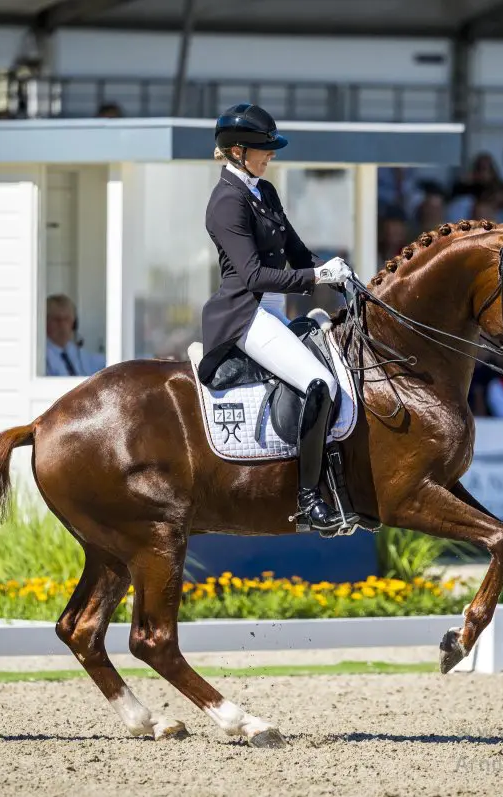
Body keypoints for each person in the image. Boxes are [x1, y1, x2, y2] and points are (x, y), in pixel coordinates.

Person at [196, 103, 356, 533]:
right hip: (245, 314)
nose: (270, 156)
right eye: (263, 150)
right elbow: (252, 275)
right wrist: (316, 276)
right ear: (235, 152)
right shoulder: (225, 203)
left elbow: (299, 255)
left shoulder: (264, 192)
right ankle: (308, 496)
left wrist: (340, 275)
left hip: (274, 309)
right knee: (318, 384)